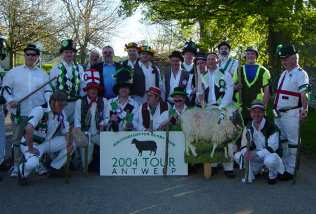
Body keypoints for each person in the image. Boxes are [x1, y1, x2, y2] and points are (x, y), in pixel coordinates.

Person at [3, 43, 51, 177]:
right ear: (24, 55)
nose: (31, 57)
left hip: (37, 113)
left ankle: (37, 163)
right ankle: (16, 165)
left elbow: (48, 90)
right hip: (19, 112)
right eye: (28, 54)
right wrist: (9, 100)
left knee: (38, 138)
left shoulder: (43, 74)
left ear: (37, 57)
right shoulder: (13, 72)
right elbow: (5, 89)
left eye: (34, 55)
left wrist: (48, 104)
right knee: (17, 140)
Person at [18, 91, 71, 185]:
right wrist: (31, 148)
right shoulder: (40, 110)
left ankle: (54, 168)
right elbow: (28, 129)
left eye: (63, 105)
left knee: (72, 143)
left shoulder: (61, 112)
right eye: (60, 104)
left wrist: (69, 139)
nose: (62, 107)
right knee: (33, 163)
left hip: (46, 143)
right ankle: (22, 172)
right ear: (52, 102)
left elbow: (65, 129)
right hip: (30, 143)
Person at [274, 44, 310, 181]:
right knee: (283, 141)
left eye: (285, 58)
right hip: (280, 113)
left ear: (294, 58)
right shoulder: (284, 73)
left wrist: (305, 109)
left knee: (293, 142)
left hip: (292, 113)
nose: (283, 61)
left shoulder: (301, 73)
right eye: (282, 59)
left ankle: (291, 169)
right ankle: (284, 165)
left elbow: (304, 93)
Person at [234, 100, 284, 184]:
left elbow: (272, 148)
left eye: (259, 112)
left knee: (270, 161)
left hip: (269, 155)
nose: (256, 114)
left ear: (263, 113)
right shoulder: (248, 127)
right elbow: (243, 145)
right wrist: (246, 152)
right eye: (254, 112)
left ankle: (272, 174)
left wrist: (254, 154)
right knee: (237, 156)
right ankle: (258, 170)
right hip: (255, 156)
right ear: (250, 113)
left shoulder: (271, 127)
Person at [74, 68, 108, 168]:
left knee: (110, 145)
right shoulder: (79, 102)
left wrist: (103, 123)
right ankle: (83, 163)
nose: (93, 90)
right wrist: (81, 134)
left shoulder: (104, 101)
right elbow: (77, 120)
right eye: (91, 89)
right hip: (85, 134)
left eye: (95, 89)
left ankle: (106, 166)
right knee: (86, 162)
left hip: (98, 133)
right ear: (87, 90)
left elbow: (107, 117)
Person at [50, 39, 85, 123]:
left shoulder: (80, 68)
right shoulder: (55, 69)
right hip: (61, 105)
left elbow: (83, 85)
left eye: (71, 52)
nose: (69, 54)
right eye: (66, 52)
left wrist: (81, 101)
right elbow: (52, 87)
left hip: (76, 104)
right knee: (62, 129)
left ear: (74, 54)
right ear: (62, 54)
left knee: (74, 128)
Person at [233, 47, 271, 123]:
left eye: (252, 54)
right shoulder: (239, 70)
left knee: (257, 130)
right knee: (241, 130)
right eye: (248, 54)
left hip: (257, 106)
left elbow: (267, 90)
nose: (250, 56)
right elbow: (231, 87)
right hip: (241, 106)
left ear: (256, 56)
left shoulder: (263, 71)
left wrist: (264, 106)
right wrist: (236, 87)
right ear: (245, 56)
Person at [106, 67, 139, 131]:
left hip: (129, 137)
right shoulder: (110, 103)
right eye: (121, 87)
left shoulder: (135, 104)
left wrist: (131, 124)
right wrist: (110, 120)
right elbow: (104, 121)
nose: (124, 89)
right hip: (111, 137)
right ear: (118, 89)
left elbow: (137, 123)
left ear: (129, 90)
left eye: (126, 87)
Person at [181, 40, 197, 106]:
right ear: (184, 55)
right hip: (180, 99)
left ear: (194, 56)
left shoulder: (197, 68)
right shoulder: (179, 67)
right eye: (187, 54)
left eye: (191, 54)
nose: (189, 56)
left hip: (194, 99)